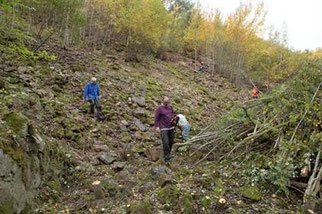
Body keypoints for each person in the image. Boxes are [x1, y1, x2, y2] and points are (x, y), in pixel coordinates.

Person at [154, 96, 175, 162]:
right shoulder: (159, 108)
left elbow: (172, 114)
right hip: (163, 128)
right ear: (162, 101)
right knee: (165, 143)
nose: (167, 103)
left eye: (168, 102)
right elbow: (156, 118)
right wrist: (157, 126)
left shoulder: (170, 107)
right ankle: (167, 158)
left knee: (171, 142)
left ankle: (168, 153)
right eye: (165, 102)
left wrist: (173, 119)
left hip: (171, 127)